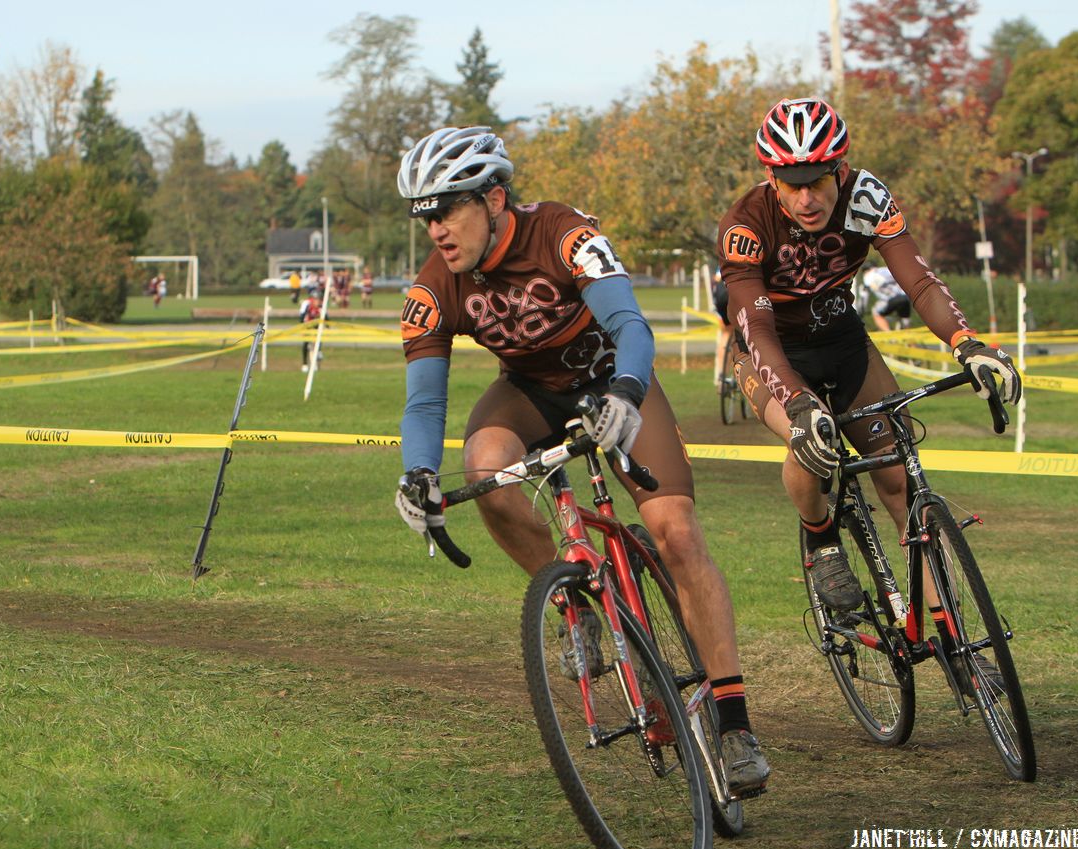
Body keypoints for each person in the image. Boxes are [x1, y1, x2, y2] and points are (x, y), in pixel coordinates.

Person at [393, 125, 771, 796]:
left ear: (495, 198)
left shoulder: (564, 234)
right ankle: (576, 602)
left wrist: (627, 391)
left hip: (611, 379)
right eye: (427, 217)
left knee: (677, 534)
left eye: (449, 209)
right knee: (483, 468)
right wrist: (417, 474)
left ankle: (736, 722)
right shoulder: (433, 289)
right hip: (531, 393)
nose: (438, 232)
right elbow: (425, 401)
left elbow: (629, 325)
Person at [717, 98, 1021, 686]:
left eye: (818, 182)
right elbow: (754, 329)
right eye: (791, 183)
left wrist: (968, 342)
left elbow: (918, 280)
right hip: (772, 352)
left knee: (900, 482)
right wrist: (800, 403)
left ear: (840, 170)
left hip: (845, 344)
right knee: (811, 442)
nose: (807, 198)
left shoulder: (866, 198)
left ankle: (953, 636)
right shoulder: (746, 226)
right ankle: (821, 537)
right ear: (771, 179)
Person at [860, 264, 911, 332]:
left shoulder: (867, 276)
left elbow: (864, 296)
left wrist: (862, 310)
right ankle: (911, 340)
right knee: (904, 319)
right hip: (905, 297)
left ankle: (889, 334)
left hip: (890, 299)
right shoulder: (885, 269)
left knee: (876, 312)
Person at [298, 287, 322, 372]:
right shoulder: (307, 304)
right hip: (307, 325)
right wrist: (302, 325)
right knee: (306, 343)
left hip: (316, 326)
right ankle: (304, 364)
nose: (317, 301)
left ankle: (316, 360)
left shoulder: (320, 306)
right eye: (316, 299)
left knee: (316, 343)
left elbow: (325, 316)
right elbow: (301, 316)